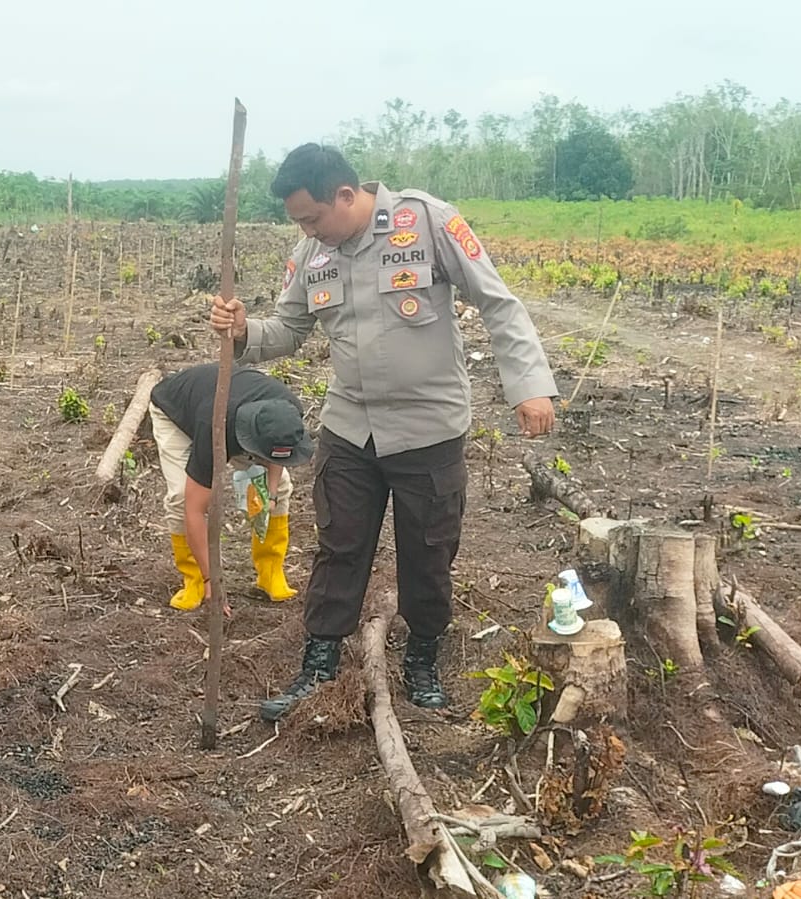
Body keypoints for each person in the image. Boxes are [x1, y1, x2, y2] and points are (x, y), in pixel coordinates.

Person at [208, 143, 558, 720]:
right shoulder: (312, 253)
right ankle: (319, 664)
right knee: (339, 546)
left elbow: (499, 304)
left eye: (313, 217)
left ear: (345, 196)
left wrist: (530, 385)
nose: (308, 230)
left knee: (427, 552)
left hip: (428, 430)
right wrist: (244, 330)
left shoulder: (427, 222)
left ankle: (422, 661)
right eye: (299, 222)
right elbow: (288, 331)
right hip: (349, 429)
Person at [148, 362, 314, 612]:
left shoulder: (287, 411)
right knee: (182, 496)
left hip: (233, 409)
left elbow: (277, 454)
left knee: (280, 486)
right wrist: (211, 580)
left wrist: (268, 494)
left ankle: (270, 572)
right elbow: (194, 509)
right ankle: (195, 579)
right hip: (177, 412)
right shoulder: (215, 424)